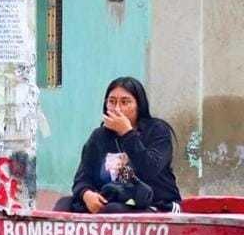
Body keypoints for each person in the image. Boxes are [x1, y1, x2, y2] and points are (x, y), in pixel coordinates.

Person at [54, 76, 182, 214]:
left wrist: (127, 133)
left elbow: (150, 169)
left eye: (125, 102)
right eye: (112, 102)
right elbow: (82, 178)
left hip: (157, 203)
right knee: (64, 204)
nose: (117, 109)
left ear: (139, 105)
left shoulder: (157, 130)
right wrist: (87, 194)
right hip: (117, 200)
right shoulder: (99, 136)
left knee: (113, 210)